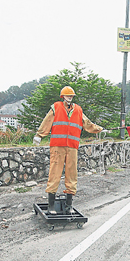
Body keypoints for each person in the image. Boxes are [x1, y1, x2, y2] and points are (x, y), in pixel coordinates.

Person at [33, 86, 107, 214]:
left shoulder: (78, 110)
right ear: (63, 97)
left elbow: (87, 123)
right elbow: (47, 121)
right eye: (68, 96)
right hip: (57, 146)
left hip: (72, 146)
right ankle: (51, 206)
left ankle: (68, 205)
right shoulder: (56, 107)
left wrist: (99, 129)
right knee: (54, 173)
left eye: (71, 96)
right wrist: (39, 135)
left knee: (72, 175)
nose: (70, 98)